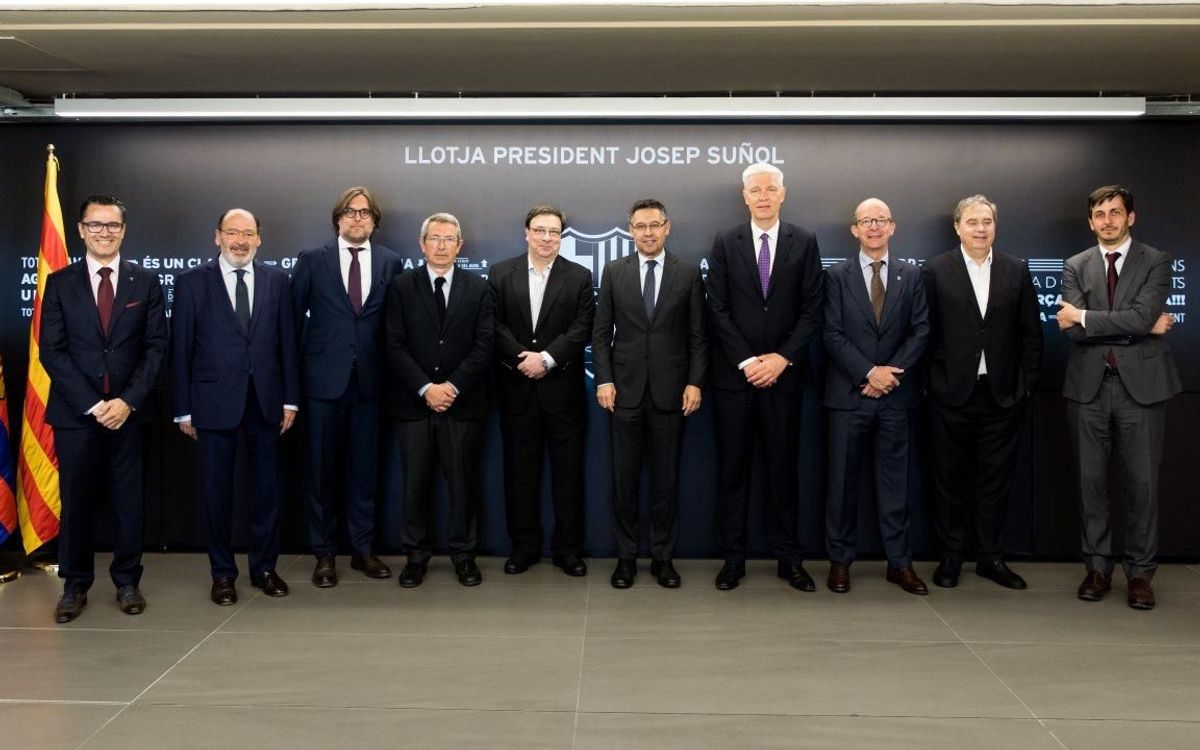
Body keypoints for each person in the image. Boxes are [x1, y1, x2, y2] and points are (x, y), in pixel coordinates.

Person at [39, 195, 167, 623]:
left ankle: (127, 581)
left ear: (124, 230)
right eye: (96, 225)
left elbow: (155, 348)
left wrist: (127, 401)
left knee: (130, 502)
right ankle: (74, 586)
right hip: (77, 416)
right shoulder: (59, 282)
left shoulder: (145, 283)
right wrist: (95, 405)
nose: (105, 232)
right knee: (76, 502)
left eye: (112, 225)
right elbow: (52, 353)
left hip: (130, 415)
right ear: (80, 230)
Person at [1057, 185, 1179, 610]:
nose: (1107, 220)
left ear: (1131, 217)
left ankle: (1141, 574)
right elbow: (1069, 330)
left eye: (1115, 212)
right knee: (1091, 484)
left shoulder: (1156, 260)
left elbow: (1141, 314)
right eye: (1099, 214)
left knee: (1142, 485)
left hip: (1141, 389)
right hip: (1088, 388)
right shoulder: (1075, 266)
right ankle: (1097, 568)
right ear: (1090, 222)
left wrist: (1090, 317)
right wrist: (1140, 327)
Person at [705, 162, 824, 592]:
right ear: (744, 196)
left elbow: (813, 309)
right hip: (736, 380)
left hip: (785, 379)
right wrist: (748, 362)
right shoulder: (725, 241)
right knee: (733, 473)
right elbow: (715, 307)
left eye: (770, 189)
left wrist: (781, 359)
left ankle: (789, 559)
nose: (762, 196)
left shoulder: (804, 241)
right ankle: (732, 560)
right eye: (755, 190)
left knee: (783, 473)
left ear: (783, 194)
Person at [171, 208, 299, 606]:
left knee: (266, 492)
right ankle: (222, 574)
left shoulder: (279, 281)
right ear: (217, 237)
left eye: (248, 233)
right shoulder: (192, 283)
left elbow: (288, 347)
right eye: (232, 232)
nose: (240, 240)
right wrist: (183, 410)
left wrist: (290, 399)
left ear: (259, 238)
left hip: (265, 403)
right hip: (211, 404)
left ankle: (264, 568)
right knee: (216, 494)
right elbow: (180, 352)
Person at [921, 195, 1043, 589]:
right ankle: (951, 558)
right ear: (958, 227)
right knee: (948, 481)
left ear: (995, 226)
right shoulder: (935, 271)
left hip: (1002, 395)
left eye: (987, 221)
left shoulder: (1016, 270)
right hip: (950, 395)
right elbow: (924, 334)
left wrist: (1025, 385)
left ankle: (991, 558)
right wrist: (930, 385)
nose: (980, 228)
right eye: (972, 222)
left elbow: (1031, 335)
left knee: (995, 482)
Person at [592, 198, 707, 589]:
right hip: (623, 392)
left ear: (667, 227)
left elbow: (698, 337)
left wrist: (694, 383)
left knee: (665, 480)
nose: (648, 232)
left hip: (672, 393)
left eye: (654, 225)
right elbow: (600, 332)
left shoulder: (688, 274)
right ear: (630, 230)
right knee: (623, 482)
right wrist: (604, 380)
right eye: (640, 226)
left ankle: (662, 557)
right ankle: (626, 558)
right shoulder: (613, 272)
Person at [292, 187, 402, 587]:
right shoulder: (312, 260)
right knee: (321, 473)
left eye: (365, 212)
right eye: (350, 212)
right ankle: (324, 554)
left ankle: (362, 550)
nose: (357, 218)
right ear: (337, 218)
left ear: (375, 220)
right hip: (323, 383)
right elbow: (290, 324)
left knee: (365, 472)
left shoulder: (392, 262)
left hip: (372, 384)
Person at [822, 198, 929, 596]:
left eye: (881, 220)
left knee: (894, 485)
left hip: (895, 398)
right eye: (866, 221)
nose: (873, 227)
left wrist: (887, 376)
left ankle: (899, 564)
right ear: (854, 230)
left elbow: (921, 332)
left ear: (893, 227)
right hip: (849, 397)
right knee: (841, 486)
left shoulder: (910, 276)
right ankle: (840, 561)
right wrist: (868, 373)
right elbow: (831, 333)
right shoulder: (836, 277)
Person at [385, 212, 493, 588]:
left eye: (449, 239)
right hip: (414, 404)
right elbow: (394, 345)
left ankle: (464, 556)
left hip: (462, 405)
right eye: (435, 238)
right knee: (415, 484)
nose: (442, 245)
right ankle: (415, 556)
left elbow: (484, 345)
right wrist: (425, 388)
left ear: (460, 246)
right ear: (422, 244)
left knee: (463, 484)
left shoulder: (479, 288)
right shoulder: (401, 287)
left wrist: (451, 387)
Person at [490, 205, 594, 577]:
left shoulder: (580, 276)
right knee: (520, 477)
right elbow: (494, 324)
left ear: (561, 236)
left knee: (568, 478)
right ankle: (524, 548)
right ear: (526, 233)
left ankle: (568, 551)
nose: (547, 237)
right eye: (540, 230)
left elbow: (582, 327)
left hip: (562, 393)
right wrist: (525, 358)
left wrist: (547, 358)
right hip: (517, 389)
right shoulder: (501, 272)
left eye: (553, 232)